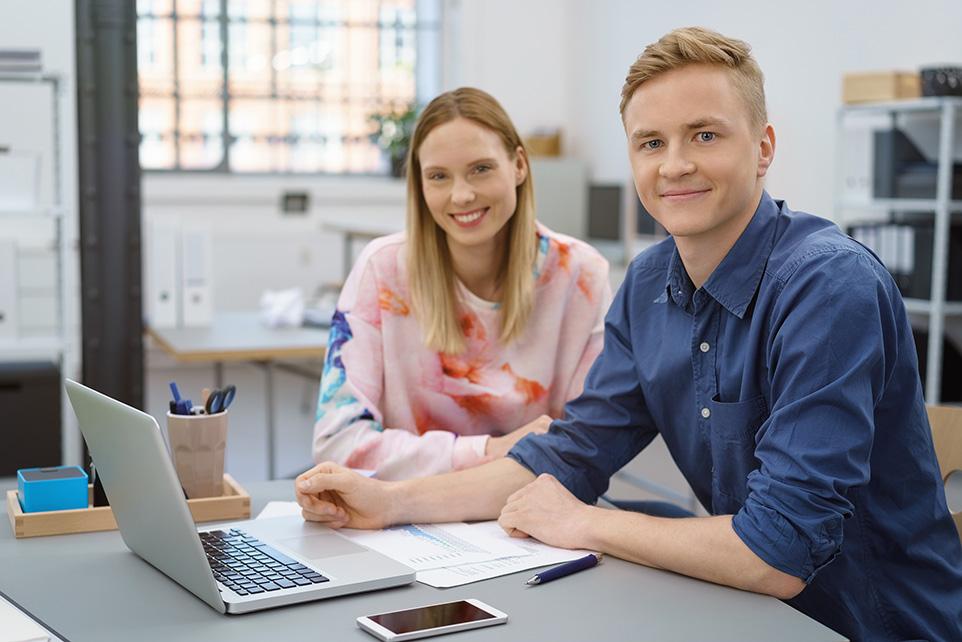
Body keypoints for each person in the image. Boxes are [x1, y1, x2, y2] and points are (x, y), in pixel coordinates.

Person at [296, 27, 962, 640]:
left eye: (704, 135)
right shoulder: (648, 287)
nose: (673, 165)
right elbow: (570, 455)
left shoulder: (828, 287)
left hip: (866, 624)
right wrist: (389, 503)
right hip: (744, 609)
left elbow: (777, 552)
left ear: (763, 149)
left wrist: (584, 523)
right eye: (651, 143)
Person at [313, 87, 612, 480]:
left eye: (481, 169)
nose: (462, 195)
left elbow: (584, 449)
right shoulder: (382, 269)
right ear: (419, 184)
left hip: (530, 520)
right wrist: (487, 450)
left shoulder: (581, 274)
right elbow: (337, 444)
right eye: (438, 176)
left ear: (519, 165)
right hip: (404, 520)